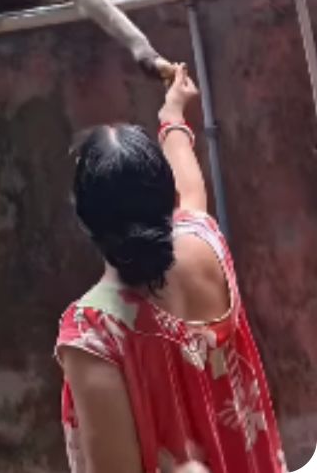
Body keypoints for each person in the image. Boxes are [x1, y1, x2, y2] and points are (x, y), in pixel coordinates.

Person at [55, 63, 287, 473]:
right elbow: (191, 187)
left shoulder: (92, 332)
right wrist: (173, 114)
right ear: (169, 198)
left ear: (85, 218)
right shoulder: (205, 240)